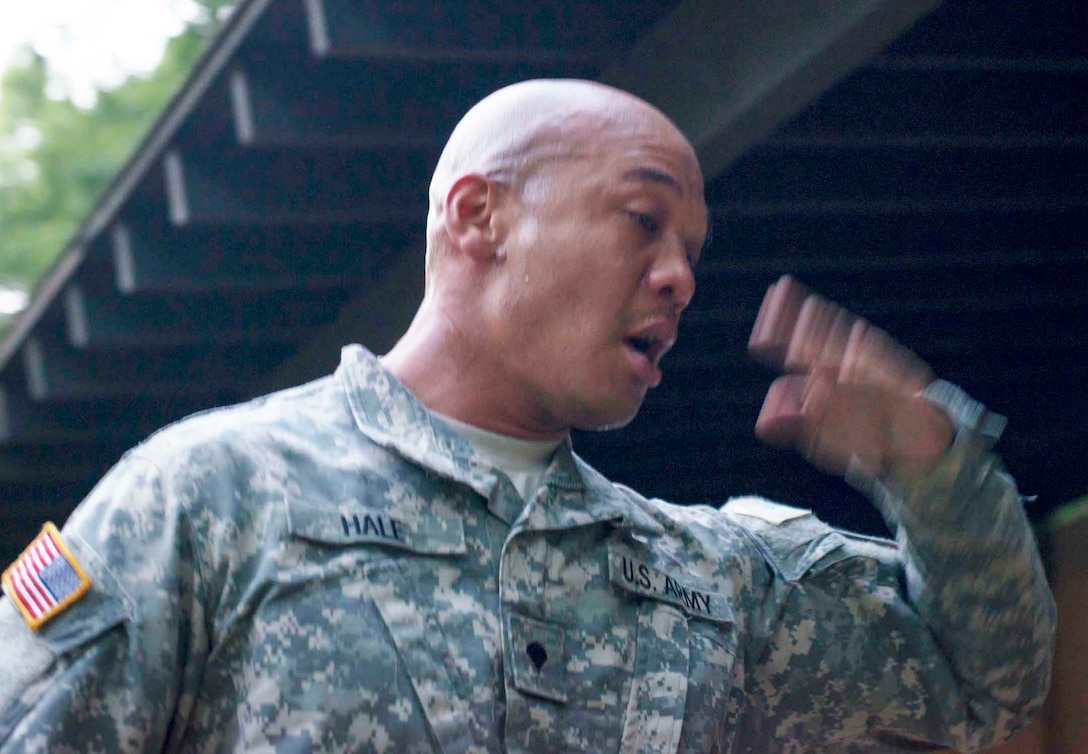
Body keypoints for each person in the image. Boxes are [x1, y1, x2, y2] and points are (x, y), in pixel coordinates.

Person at [0, 79, 1054, 753]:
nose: (680, 277)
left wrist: (933, 470)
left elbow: (984, 680)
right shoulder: (206, 495)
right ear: (479, 217)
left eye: (691, 247)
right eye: (642, 219)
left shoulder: (707, 577)